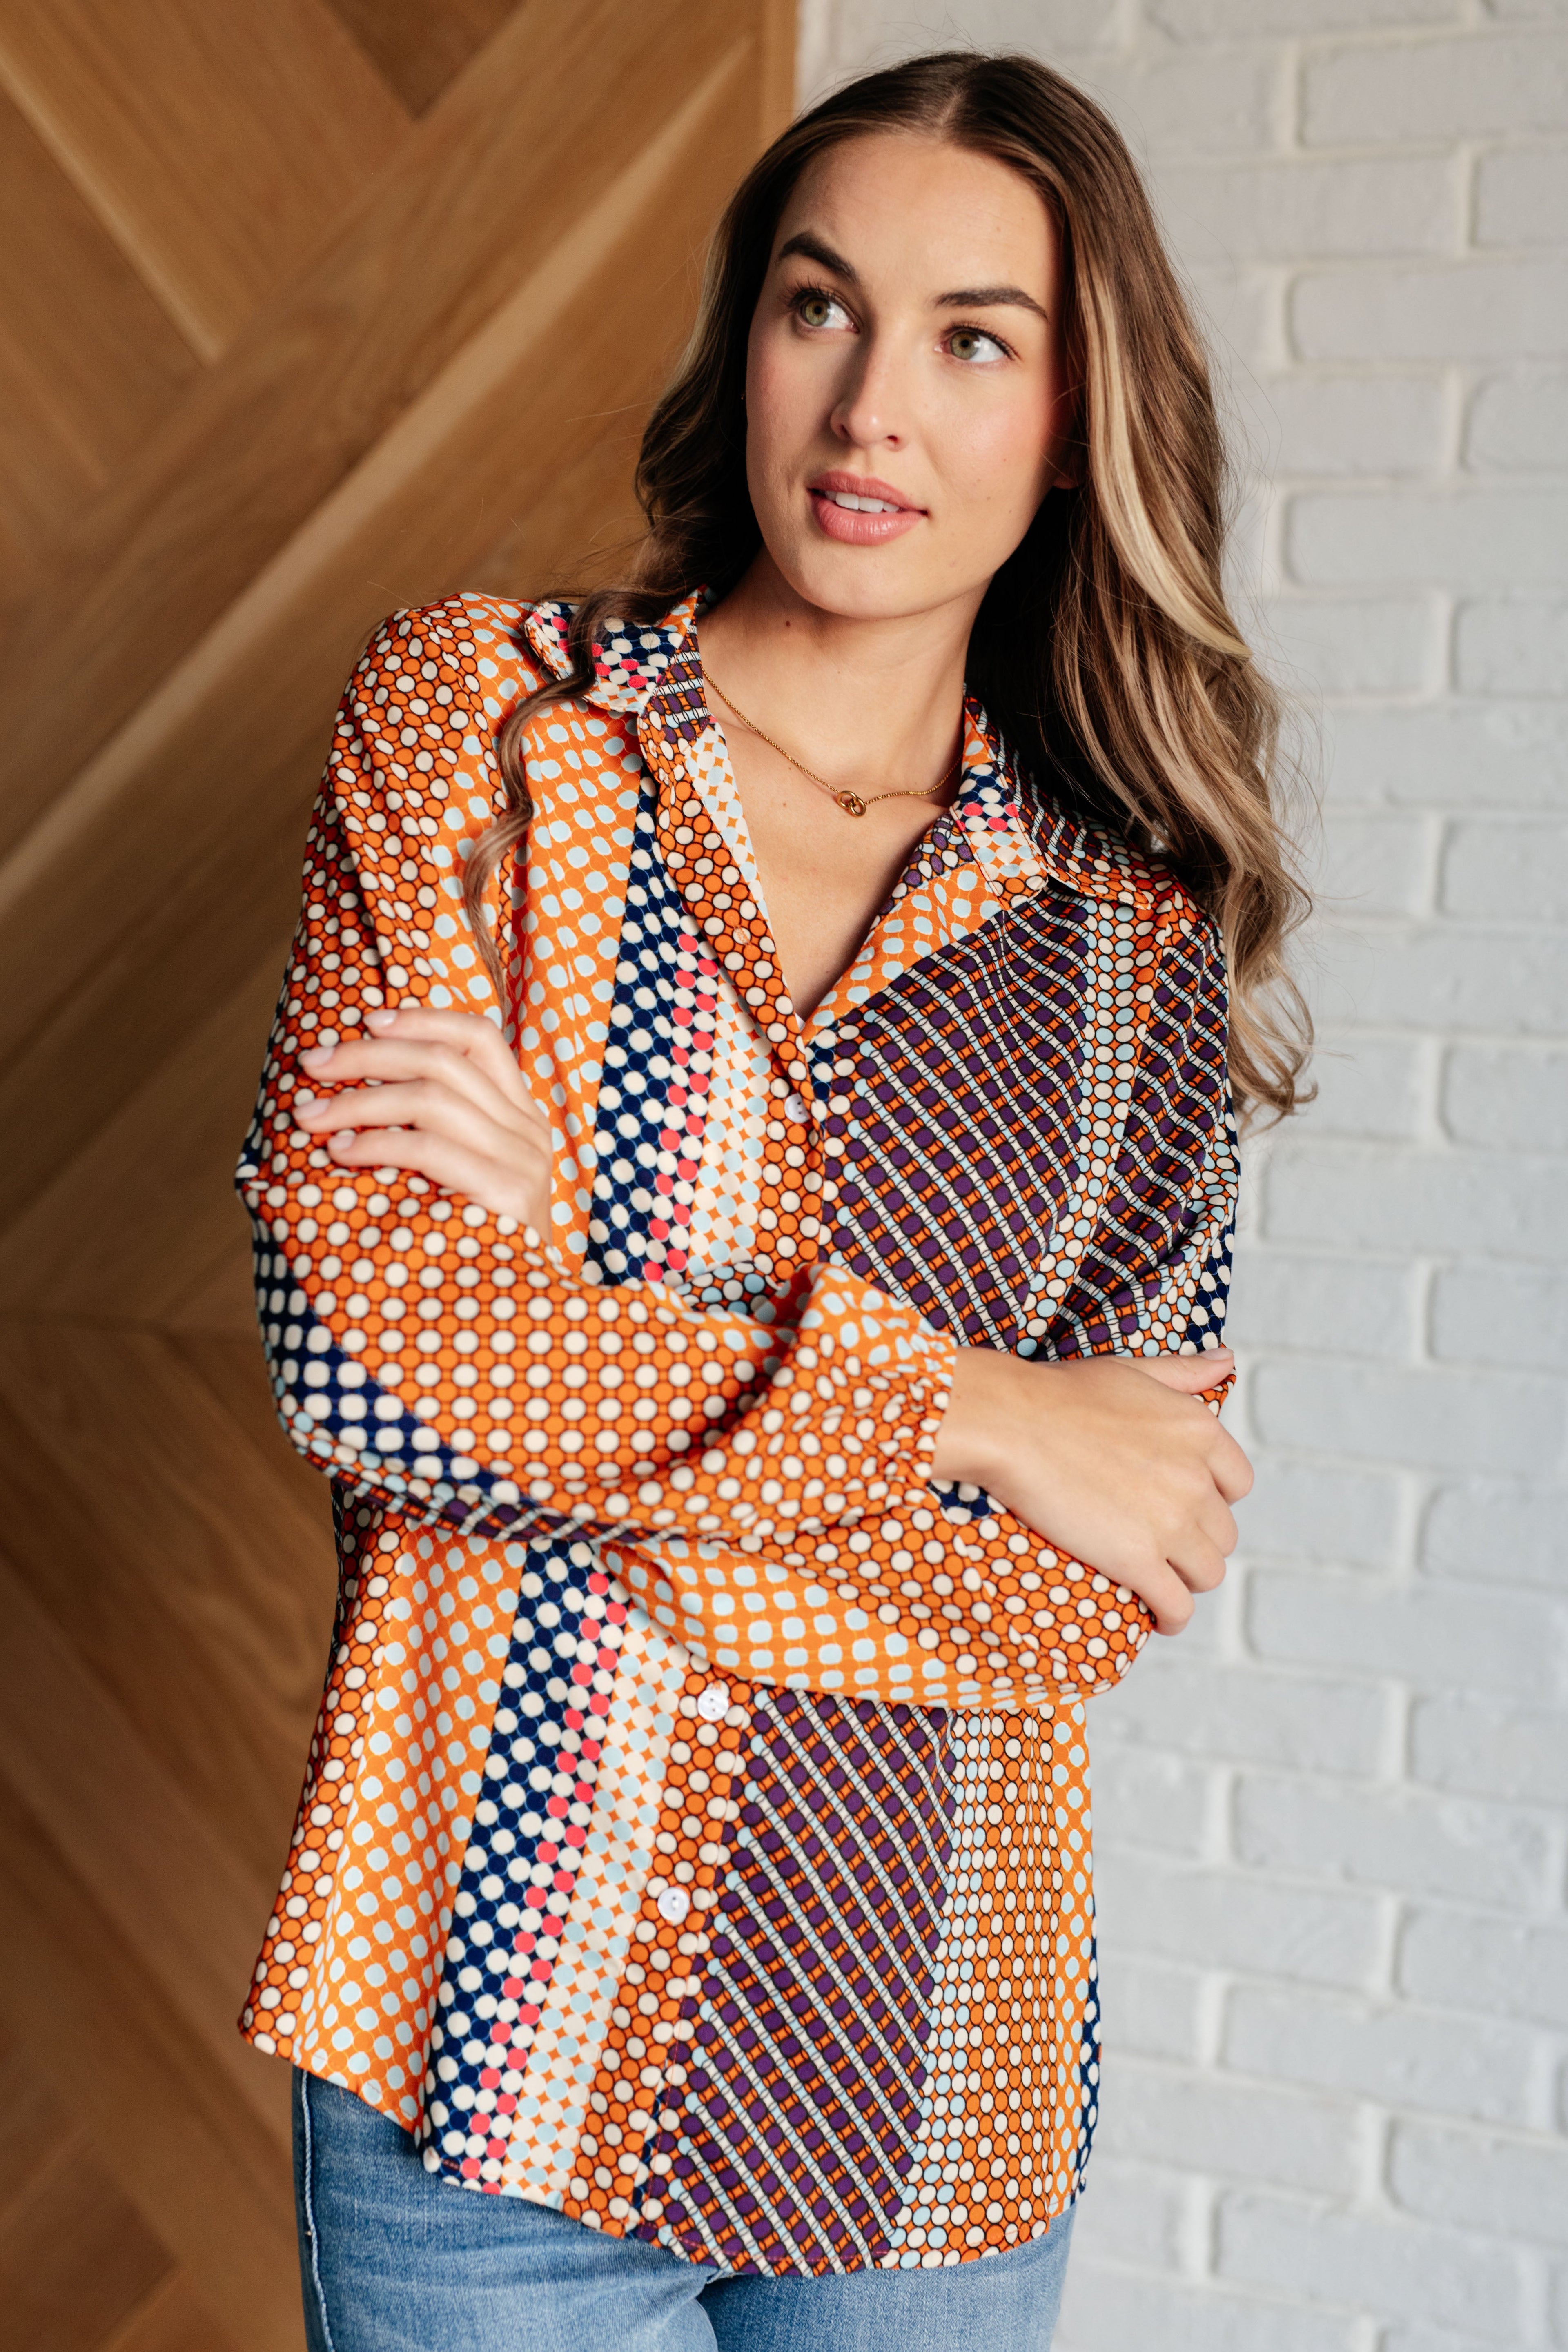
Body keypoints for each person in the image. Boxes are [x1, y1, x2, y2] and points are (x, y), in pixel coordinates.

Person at [237, 47, 1306, 2352]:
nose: (870, 407)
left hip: (933, 2066)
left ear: (1076, 417)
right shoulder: (489, 727)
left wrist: (579, 1318)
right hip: (486, 2037)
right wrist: (985, 1414)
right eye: (822, 308)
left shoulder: (1131, 944)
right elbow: (368, 1355)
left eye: (973, 339)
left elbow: (1100, 1582)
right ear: (748, 343)